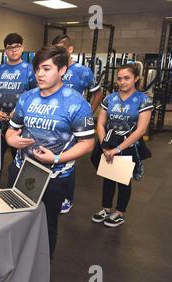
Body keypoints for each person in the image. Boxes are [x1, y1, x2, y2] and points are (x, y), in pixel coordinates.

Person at [6, 46, 95, 258]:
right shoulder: (27, 98)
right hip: (21, 168)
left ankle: (41, 270)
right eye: (37, 69)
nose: (39, 74)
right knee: (16, 218)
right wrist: (11, 139)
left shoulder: (76, 103)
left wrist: (56, 157)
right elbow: (11, 129)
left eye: (46, 68)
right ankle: (16, 262)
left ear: (62, 70)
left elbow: (87, 143)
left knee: (46, 225)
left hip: (53, 176)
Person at [92, 64, 153, 227]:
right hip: (109, 141)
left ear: (136, 79)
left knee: (123, 178)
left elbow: (140, 130)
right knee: (108, 176)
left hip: (128, 144)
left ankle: (119, 213)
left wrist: (118, 149)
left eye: (126, 78)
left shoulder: (143, 100)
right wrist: (105, 146)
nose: (122, 81)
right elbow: (100, 124)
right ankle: (105, 208)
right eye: (119, 78)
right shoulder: (109, 98)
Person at [52, 34, 104, 214]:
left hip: (73, 124)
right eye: (56, 48)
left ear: (70, 49)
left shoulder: (82, 71)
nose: (59, 51)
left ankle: (67, 198)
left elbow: (98, 93)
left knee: (68, 160)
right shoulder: (53, 69)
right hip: (53, 122)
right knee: (50, 157)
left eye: (62, 48)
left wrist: (87, 112)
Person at [0, 33, 37, 187]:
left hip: (20, 125)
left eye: (16, 47)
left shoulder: (30, 70)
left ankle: (16, 191)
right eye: (9, 48)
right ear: (5, 51)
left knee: (19, 158)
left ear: (22, 48)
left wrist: (19, 111)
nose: (13, 50)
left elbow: (35, 94)